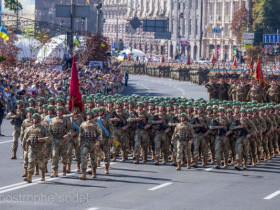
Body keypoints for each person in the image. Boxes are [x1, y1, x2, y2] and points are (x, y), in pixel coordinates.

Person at [22, 113, 50, 183]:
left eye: (36, 118)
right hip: (31, 148)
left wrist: (43, 139)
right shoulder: (29, 128)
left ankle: (43, 175)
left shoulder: (43, 128)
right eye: (33, 118)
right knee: (30, 161)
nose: (34, 119)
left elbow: (49, 137)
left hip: (40, 148)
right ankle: (29, 177)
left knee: (41, 163)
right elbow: (24, 138)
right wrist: (24, 145)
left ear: (39, 120)